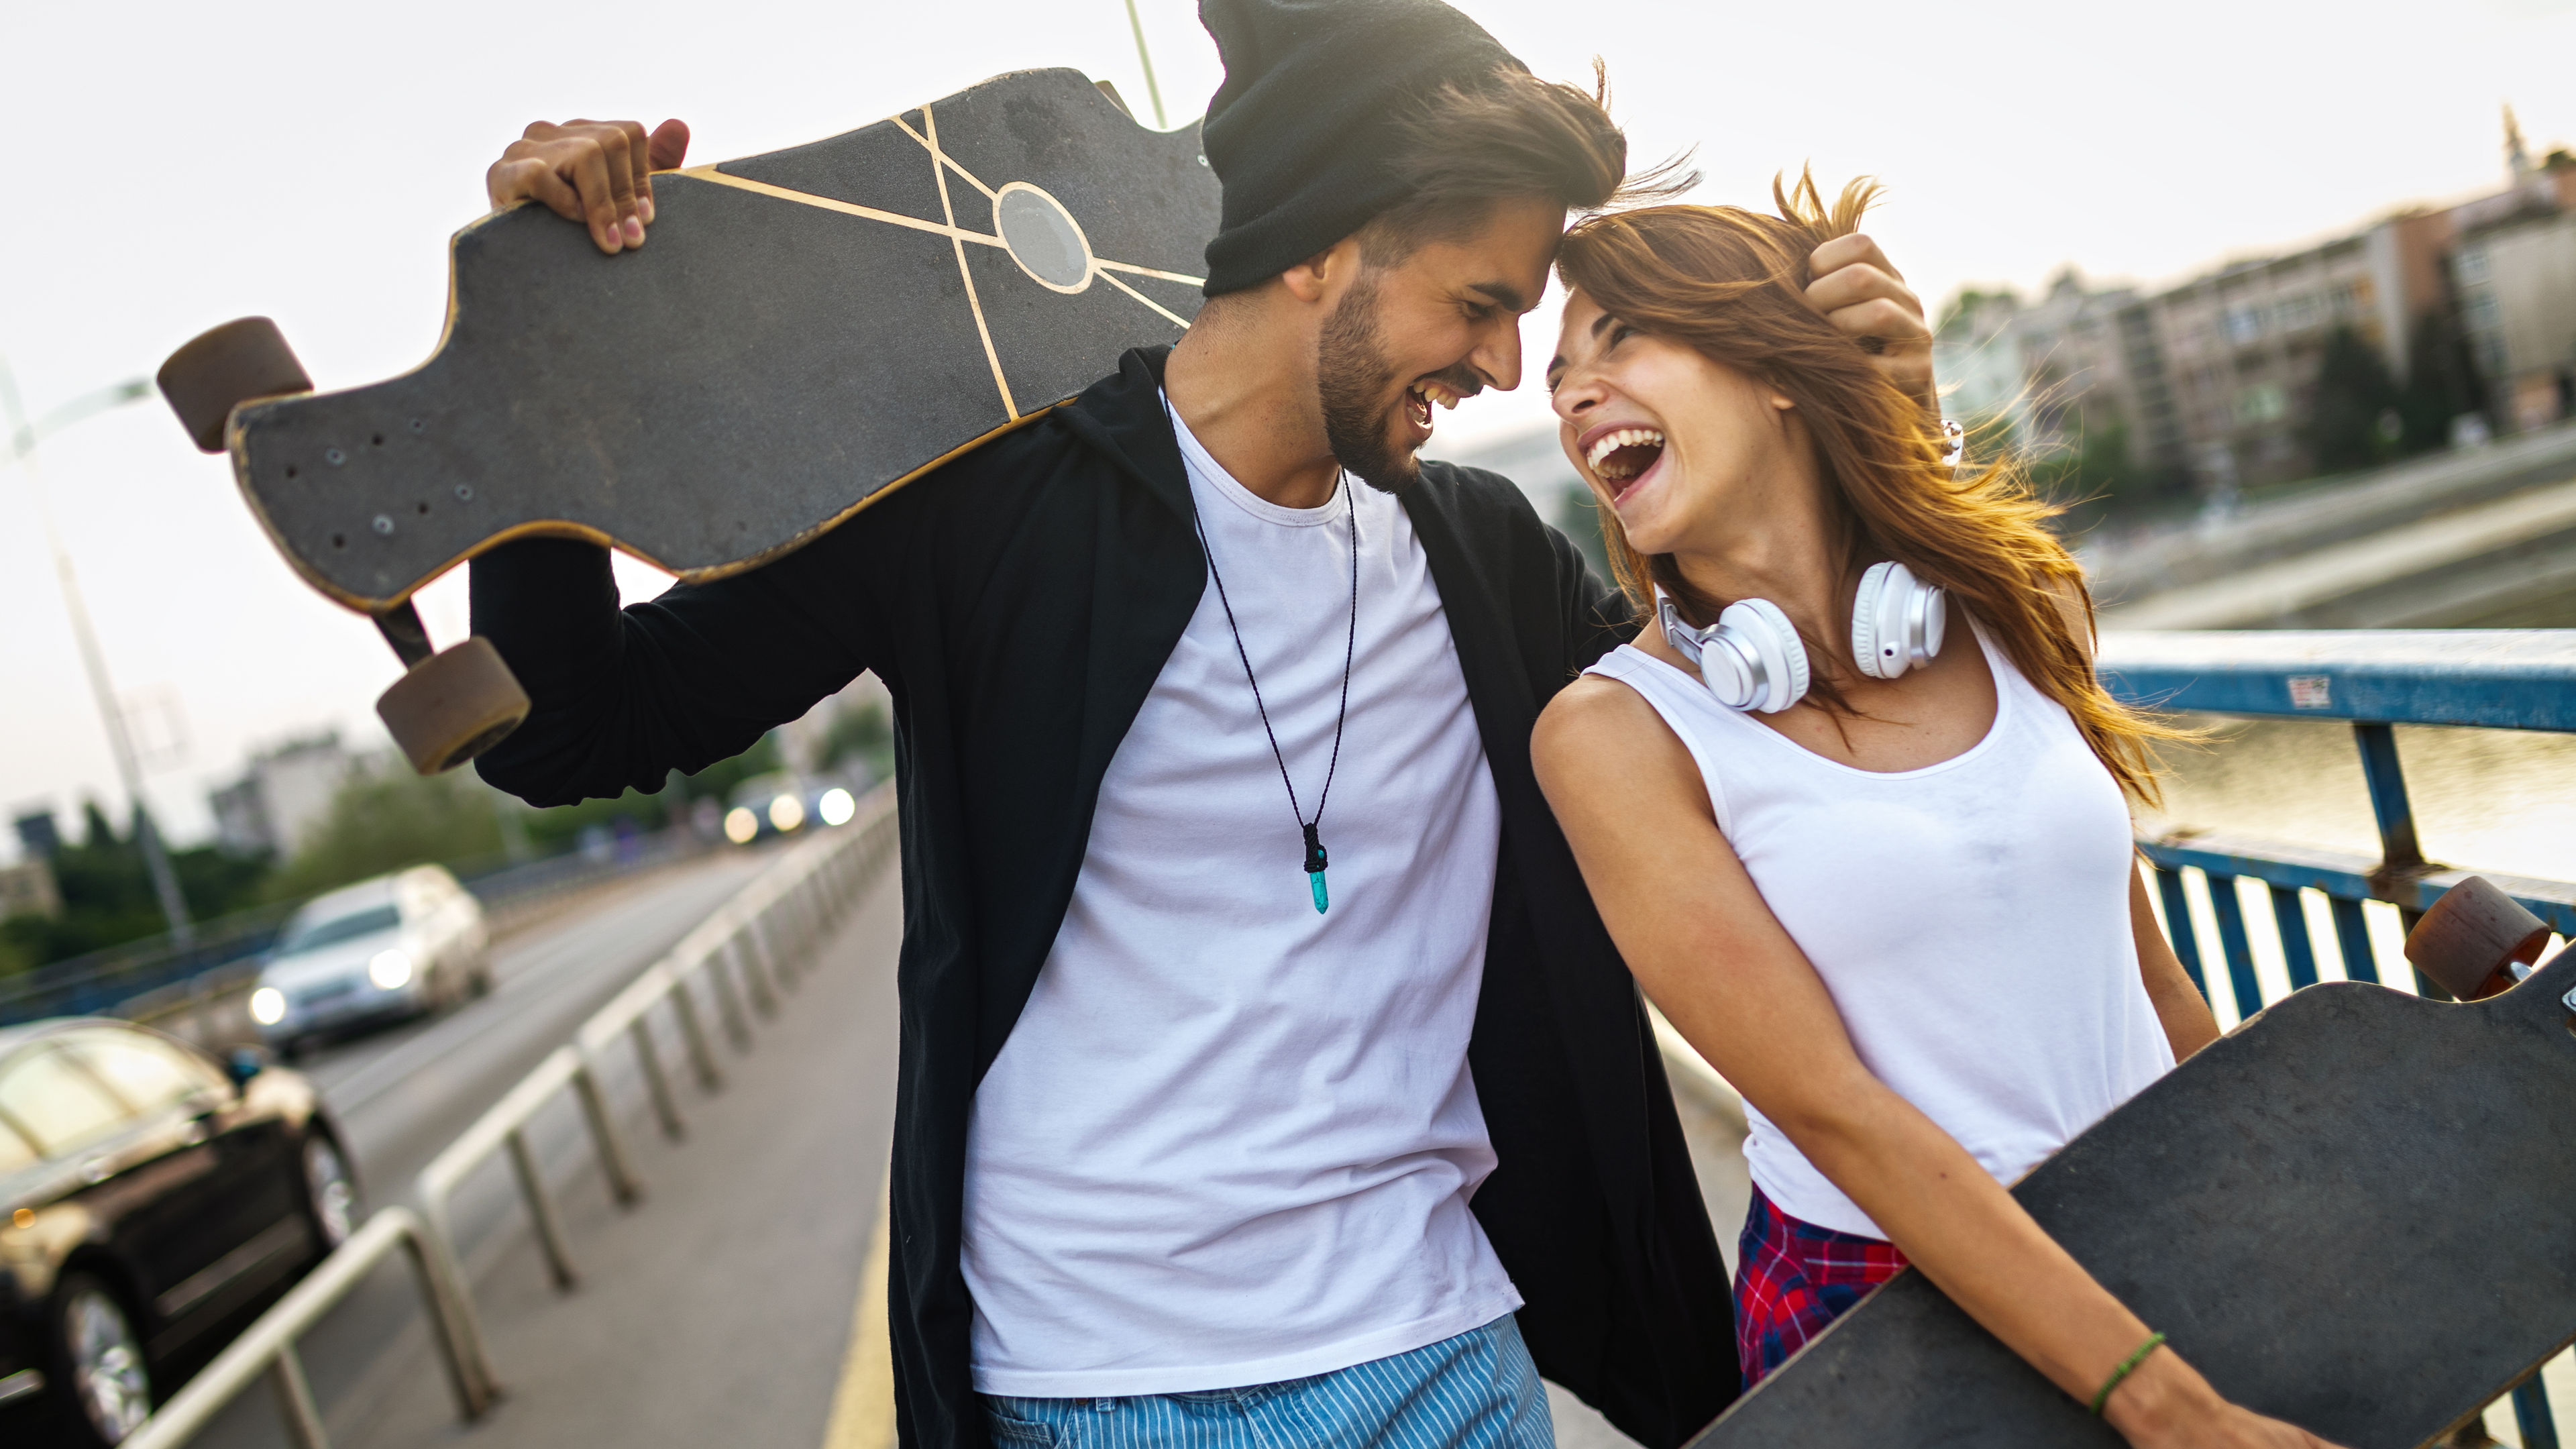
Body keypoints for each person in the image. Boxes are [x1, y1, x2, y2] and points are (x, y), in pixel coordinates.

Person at [468, 6, 1933, 1448]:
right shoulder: (987, 508)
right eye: (1479, 304)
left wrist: (1881, 434)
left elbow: (1801, 735)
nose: (1502, 369)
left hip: (1443, 1358)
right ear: (1317, 245)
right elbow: (574, 734)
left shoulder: (1485, 561)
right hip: (1094, 1389)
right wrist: (555, 367)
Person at [1530, 177, 2350, 1446]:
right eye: (1559, 372)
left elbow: (2147, 976)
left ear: (1778, 368)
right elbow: (1834, 1110)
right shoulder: (1613, 736)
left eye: (1620, 337)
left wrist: (2307, 1263)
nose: (1574, 395)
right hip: (1890, 1322)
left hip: (2164, 1226)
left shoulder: (2011, 606)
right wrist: (2173, 1411)